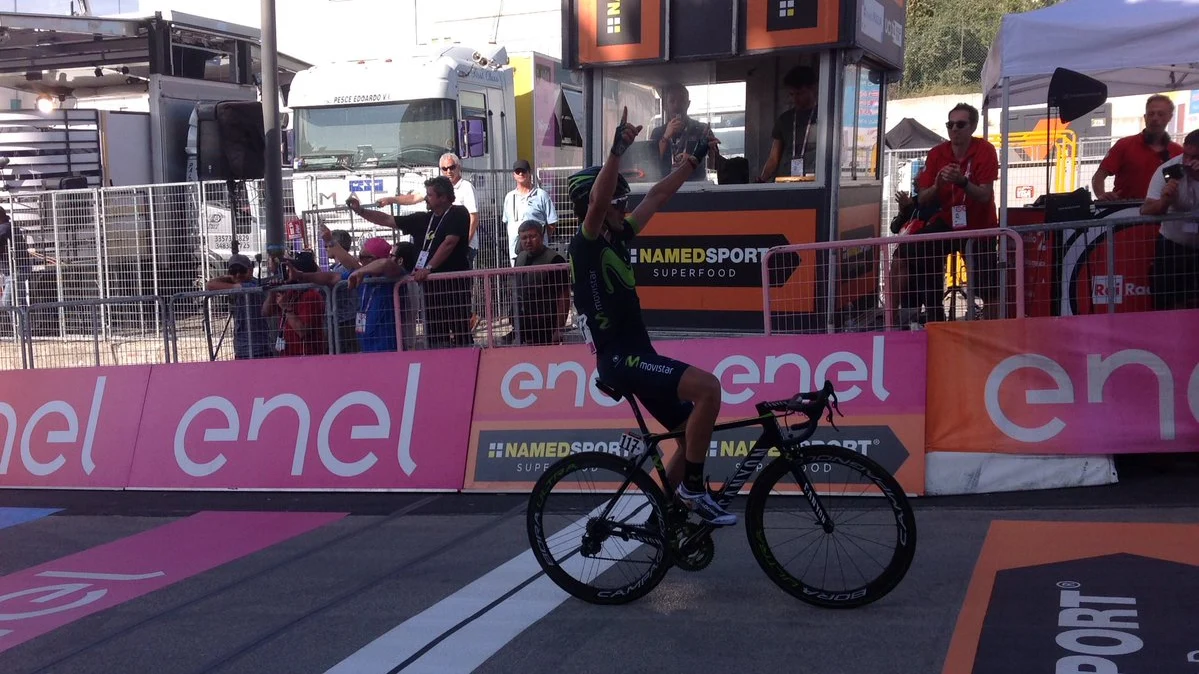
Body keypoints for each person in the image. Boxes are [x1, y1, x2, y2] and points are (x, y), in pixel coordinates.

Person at [567, 106, 735, 527]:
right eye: (618, 200)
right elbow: (597, 202)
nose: (624, 206)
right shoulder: (585, 246)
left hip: (637, 353)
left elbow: (658, 195)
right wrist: (616, 153)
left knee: (687, 434)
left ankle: (660, 520)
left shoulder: (619, 234)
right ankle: (693, 491)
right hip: (621, 359)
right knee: (709, 390)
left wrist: (691, 162)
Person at [1140, 128, 1199, 310]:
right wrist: (1165, 201)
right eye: (1187, 156)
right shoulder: (1169, 170)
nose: (1190, 162)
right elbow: (1146, 209)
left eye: (1196, 158)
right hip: (1173, 246)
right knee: (1166, 303)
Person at [1092, 95, 1184, 201]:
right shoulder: (1124, 145)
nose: (1155, 118)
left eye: (1161, 114)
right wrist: (1101, 195)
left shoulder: (1178, 152)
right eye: (1151, 114)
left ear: (1169, 118)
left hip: (1163, 210)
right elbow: (1098, 176)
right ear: (1145, 117)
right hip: (1125, 210)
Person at [758, 65, 819, 182]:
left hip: (814, 181)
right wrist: (761, 180)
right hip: (786, 181)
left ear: (813, 89)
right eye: (792, 94)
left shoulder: (823, 116)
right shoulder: (785, 119)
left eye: (800, 93)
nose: (795, 99)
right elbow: (773, 158)